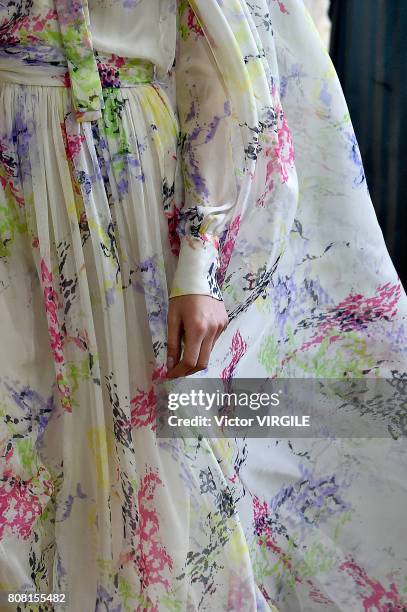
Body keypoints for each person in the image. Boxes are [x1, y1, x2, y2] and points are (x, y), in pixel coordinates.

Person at [0, 1, 406, 611]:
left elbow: (214, 76)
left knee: (147, 448)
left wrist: (198, 265)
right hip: (13, 198)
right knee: (18, 443)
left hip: (128, 188)